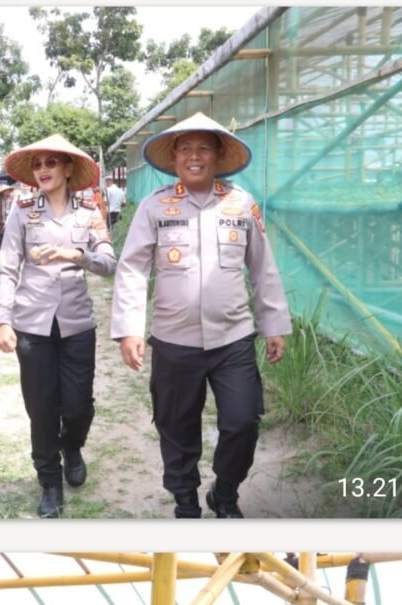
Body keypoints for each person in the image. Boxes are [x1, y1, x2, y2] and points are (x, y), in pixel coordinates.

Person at [111, 111, 292, 519]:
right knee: (176, 427)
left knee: (243, 422)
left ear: (218, 156)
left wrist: (274, 324)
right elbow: (133, 269)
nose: (195, 157)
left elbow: (262, 266)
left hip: (234, 339)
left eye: (203, 149)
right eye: (186, 149)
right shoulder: (156, 207)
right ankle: (186, 501)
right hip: (174, 341)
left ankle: (224, 493)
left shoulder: (241, 204)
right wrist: (128, 329)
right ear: (174, 159)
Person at [0, 133, 116, 518]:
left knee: (78, 406)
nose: (43, 170)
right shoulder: (22, 209)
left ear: (68, 169)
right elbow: (7, 266)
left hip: (77, 324)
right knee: (41, 407)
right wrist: (3, 319)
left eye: (51, 163)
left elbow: (109, 264)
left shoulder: (89, 213)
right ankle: (49, 481)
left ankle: (73, 445)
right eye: (38, 164)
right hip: (32, 324)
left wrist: (74, 255)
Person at [0, 184, 14, 250]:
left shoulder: (12, 199)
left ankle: (5, 247)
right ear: (3, 192)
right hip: (0, 219)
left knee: (7, 234)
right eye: (6, 191)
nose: (7, 192)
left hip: (9, 219)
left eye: (8, 191)